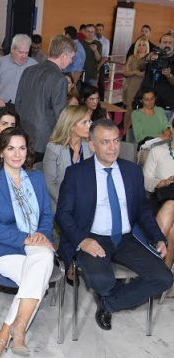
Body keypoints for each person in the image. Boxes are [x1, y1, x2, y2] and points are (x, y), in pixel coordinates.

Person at [56, 119, 173, 330]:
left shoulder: (132, 171)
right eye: (105, 142)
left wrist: (158, 237)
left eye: (116, 141)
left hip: (127, 238)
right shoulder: (76, 174)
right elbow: (63, 215)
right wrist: (82, 241)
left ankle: (108, 305)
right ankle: (110, 296)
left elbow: (143, 210)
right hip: (93, 237)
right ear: (92, 145)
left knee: (164, 278)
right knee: (103, 281)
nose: (113, 148)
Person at [0, 127, 55, 358]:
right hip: (1, 247)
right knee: (39, 277)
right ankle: (12, 332)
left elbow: (46, 215)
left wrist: (41, 235)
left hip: (34, 244)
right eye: (11, 148)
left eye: (22, 148)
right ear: (1, 151)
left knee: (41, 261)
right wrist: (26, 238)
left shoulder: (36, 178)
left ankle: (7, 333)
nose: (17, 154)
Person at [16, 34, 75, 162]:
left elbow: (18, 103)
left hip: (23, 135)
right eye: (71, 57)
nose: (71, 61)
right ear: (63, 56)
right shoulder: (60, 79)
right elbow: (61, 115)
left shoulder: (28, 70)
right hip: (44, 141)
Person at [44, 105, 93, 211]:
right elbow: (49, 183)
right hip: (61, 205)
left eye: (89, 121)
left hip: (85, 204)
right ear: (71, 126)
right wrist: (67, 202)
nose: (89, 126)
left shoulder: (88, 146)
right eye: (84, 122)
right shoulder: (54, 148)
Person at [143, 125, 174, 267]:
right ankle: (164, 273)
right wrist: (163, 182)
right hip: (160, 199)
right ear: (172, 129)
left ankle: (151, 265)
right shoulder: (157, 151)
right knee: (172, 230)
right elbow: (145, 181)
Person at [0, 34, 36, 108]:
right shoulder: (0, 63)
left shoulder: (34, 65)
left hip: (25, 110)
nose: (24, 56)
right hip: (1, 109)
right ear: (12, 49)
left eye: (26, 53)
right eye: (20, 52)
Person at [138, 33, 174, 115]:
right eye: (165, 42)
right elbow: (139, 67)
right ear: (159, 44)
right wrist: (147, 59)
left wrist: (169, 75)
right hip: (146, 101)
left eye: (170, 43)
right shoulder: (153, 54)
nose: (167, 45)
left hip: (166, 103)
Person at [123, 37, 149, 133]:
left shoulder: (150, 59)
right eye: (139, 45)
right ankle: (125, 133)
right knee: (129, 110)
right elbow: (125, 72)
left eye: (144, 45)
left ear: (147, 47)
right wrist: (135, 72)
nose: (141, 47)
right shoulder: (132, 58)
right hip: (131, 86)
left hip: (145, 87)